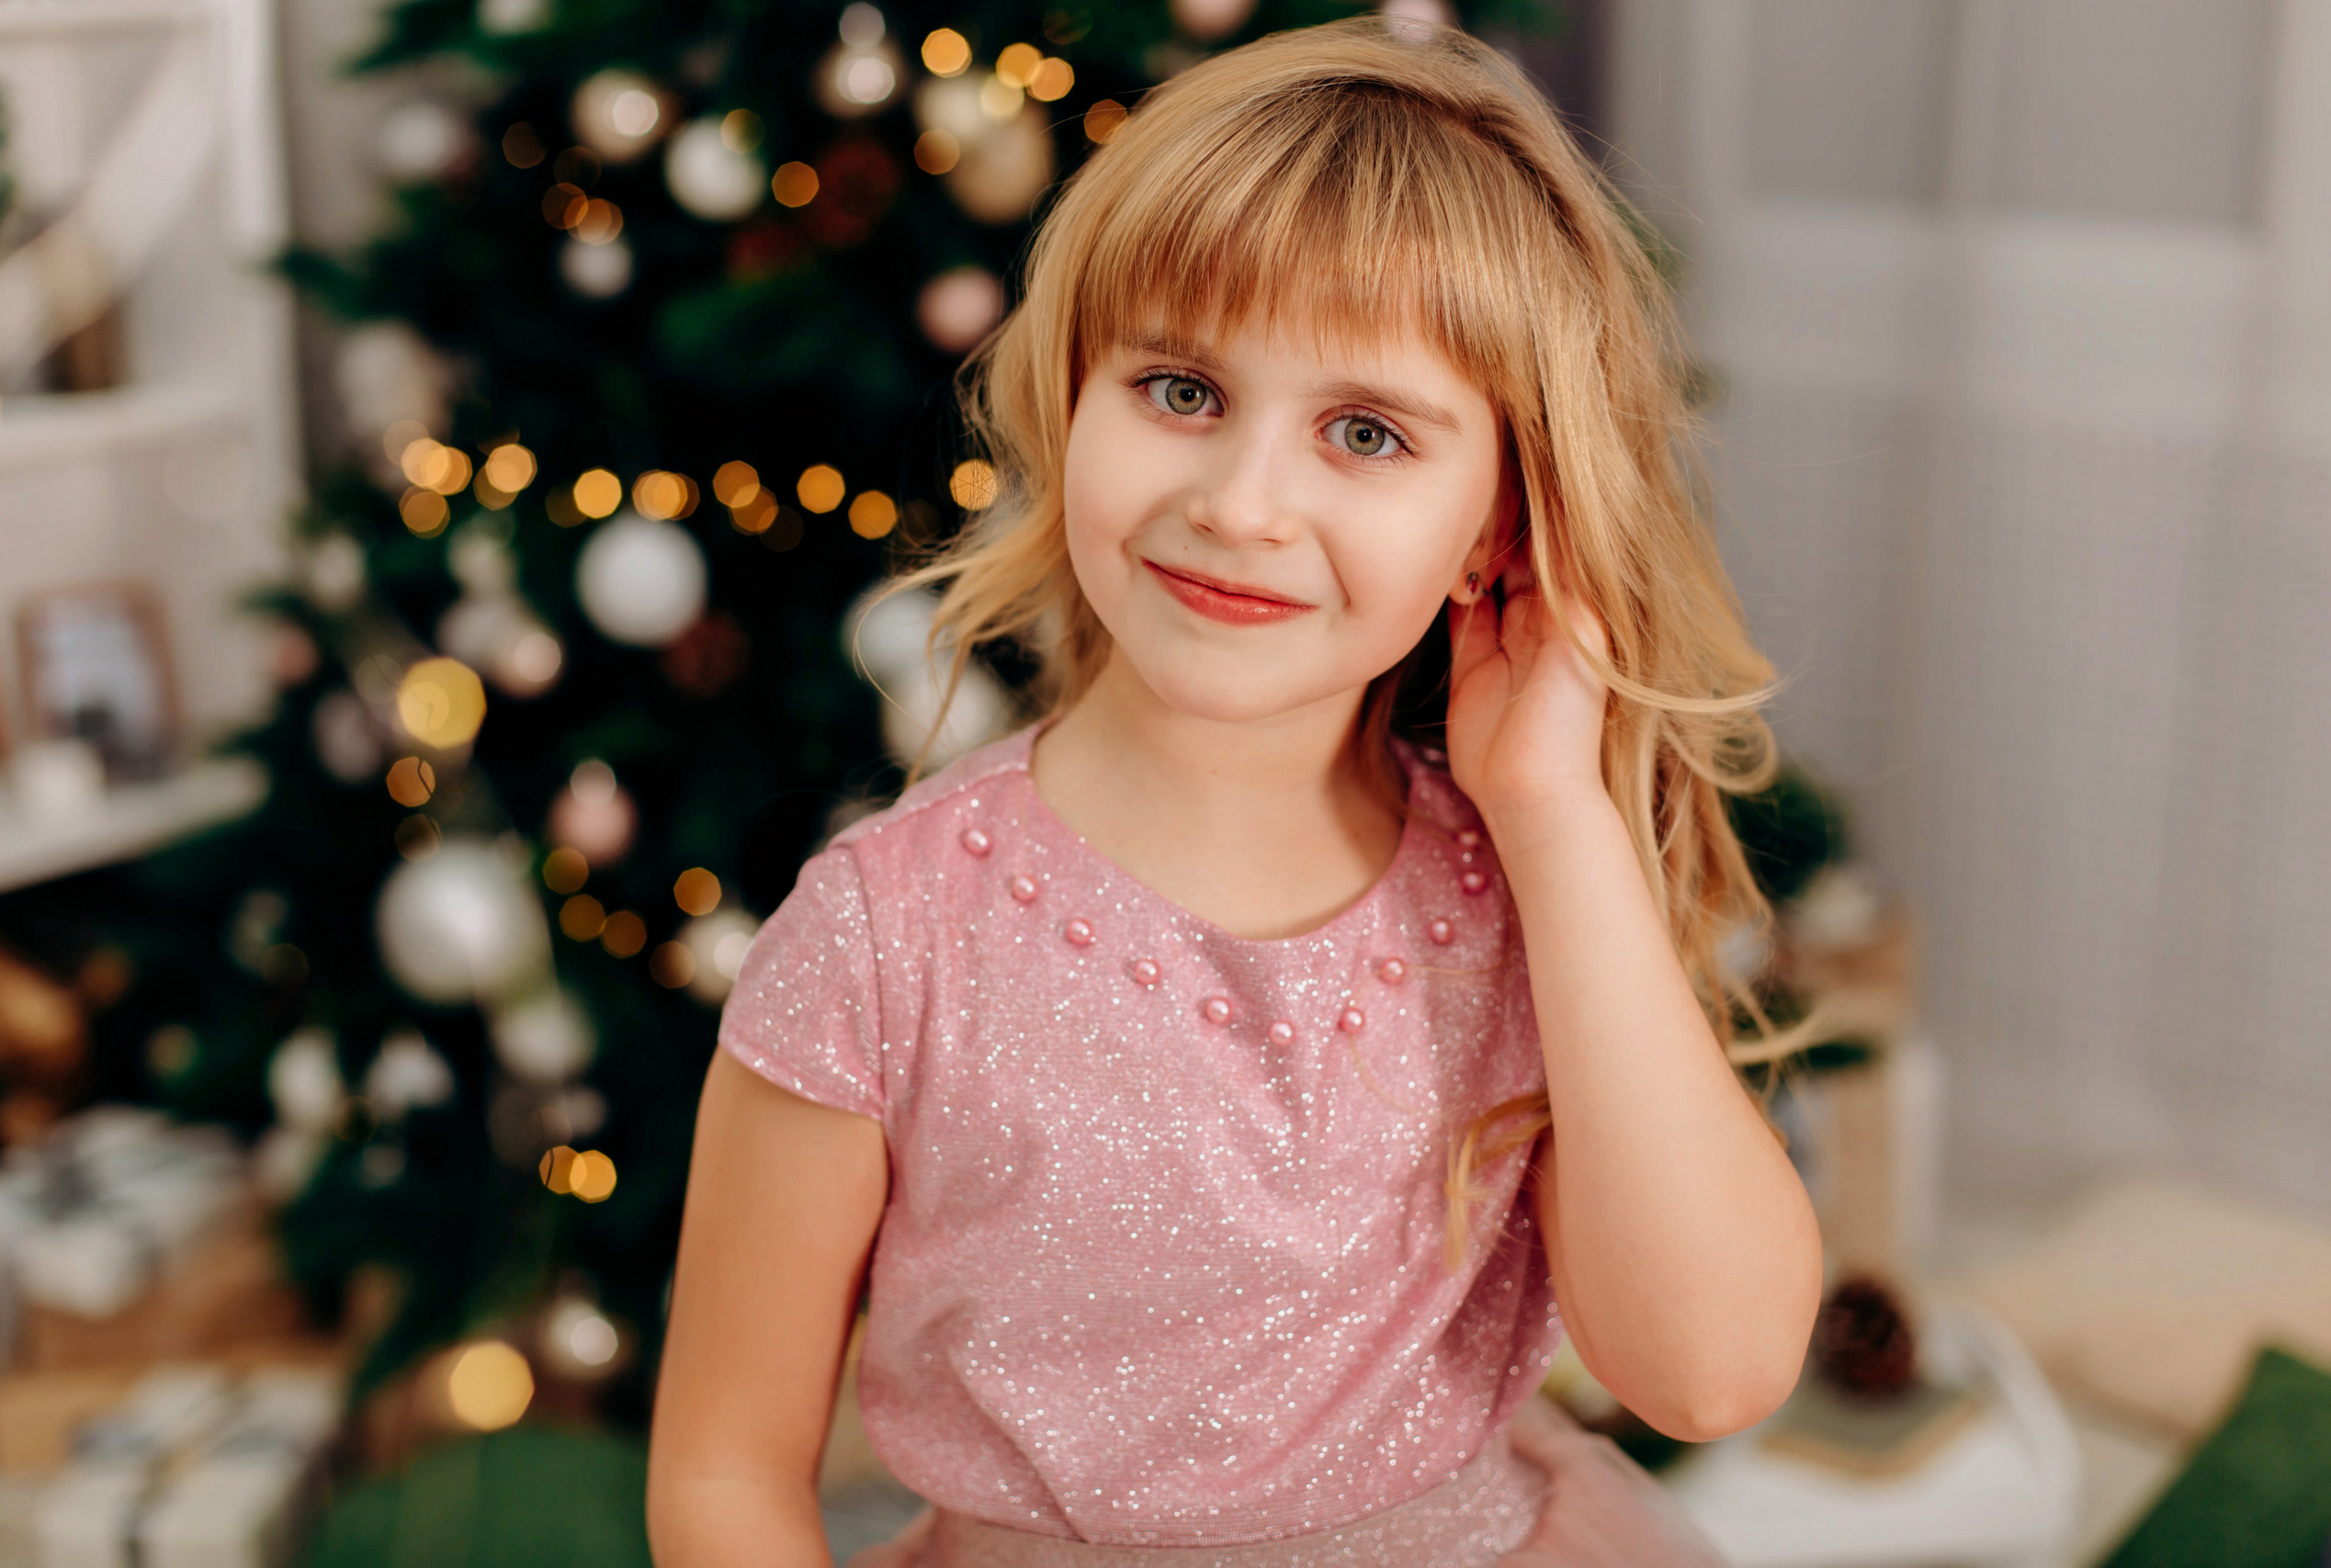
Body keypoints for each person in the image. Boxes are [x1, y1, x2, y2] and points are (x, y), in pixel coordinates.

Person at [648, 17, 1823, 1565]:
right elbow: (727, 1472)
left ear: (1495, 532)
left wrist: (1549, 809)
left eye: (1365, 433)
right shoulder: (882, 936)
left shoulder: (1524, 891)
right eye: (1183, 391)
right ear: (1074, 403)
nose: (1243, 504)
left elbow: (1711, 1371)